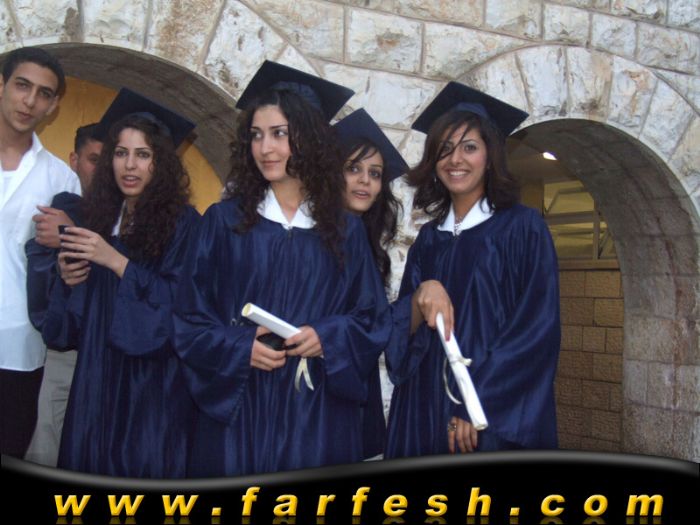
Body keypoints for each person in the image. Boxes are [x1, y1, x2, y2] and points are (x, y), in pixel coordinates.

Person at [174, 61, 391, 476]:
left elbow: (371, 318)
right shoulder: (223, 222)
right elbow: (188, 317)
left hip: (316, 413)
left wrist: (327, 336)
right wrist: (238, 347)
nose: (265, 148)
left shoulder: (344, 231)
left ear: (308, 139)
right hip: (241, 410)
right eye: (256, 135)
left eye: (279, 134)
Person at [384, 82, 560, 457]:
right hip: (423, 405)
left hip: (489, 411)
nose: (455, 159)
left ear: (490, 156)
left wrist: (474, 402)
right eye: (445, 148)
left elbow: (535, 329)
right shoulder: (429, 239)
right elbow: (402, 326)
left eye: (469, 147)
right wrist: (420, 296)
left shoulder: (522, 228)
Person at [43, 88, 200, 477]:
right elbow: (73, 323)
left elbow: (182, 305)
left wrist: (116, 262)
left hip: (152, 384)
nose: (130, 165)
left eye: (143, 155)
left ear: (161, 163)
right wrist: (69, 279)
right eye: (121, 153)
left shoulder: (184, 224)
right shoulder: (100, 217)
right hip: (96, 374)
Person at [0, 47, 81, 458]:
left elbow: (75, 270)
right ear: (1, 86)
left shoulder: (60, 178)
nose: (30, 101)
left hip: (18, 345)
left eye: (43, 94)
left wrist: (67, 236)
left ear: (53, 106)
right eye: (22, 85)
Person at [24, 123, 103, 467]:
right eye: (93, 159)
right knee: (48, 443)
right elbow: (41, 292)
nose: (102, 170)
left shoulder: (133, 216)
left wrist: (70, 234)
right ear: (74, 161)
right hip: (67, 351)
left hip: (114, 356)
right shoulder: (61, 209)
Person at [333, 108, 408, 458]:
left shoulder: (366, 240)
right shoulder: (314, 239)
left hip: (356, 380)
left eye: (375, 174)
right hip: (321, 380)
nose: (365, 181)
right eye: (353, 169)